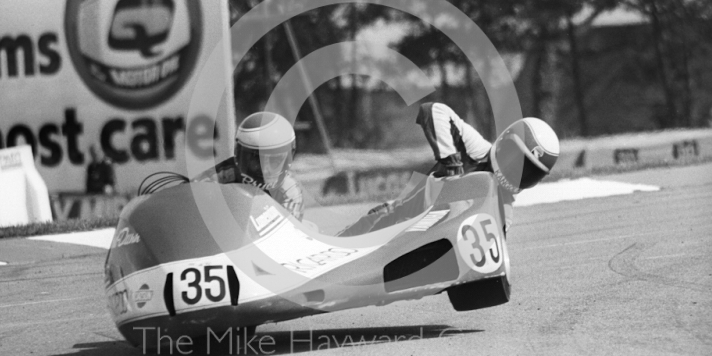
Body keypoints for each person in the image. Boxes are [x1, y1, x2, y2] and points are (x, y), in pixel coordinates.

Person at [340, 102, 560, 236]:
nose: (517, 172)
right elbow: (434, 110)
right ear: (504, 141)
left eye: (530, 171)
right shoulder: (475, 147)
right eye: (517, 159)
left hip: (435, 241)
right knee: (379, 218)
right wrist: (452, 165)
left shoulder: (505, 210)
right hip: (403, 216)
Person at [200, 112, 304, 220]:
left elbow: (288, 231)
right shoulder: (220, 176)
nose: (266, 170)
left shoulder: (289, 191)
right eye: (258, 160)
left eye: (275, 161)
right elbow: (188, 200)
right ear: (238, 154)